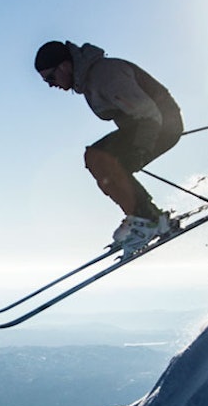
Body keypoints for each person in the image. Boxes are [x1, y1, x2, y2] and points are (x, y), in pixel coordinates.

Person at [34, 40, 184, 255]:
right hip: (149, 125)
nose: (51, 84)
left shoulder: (105, 74)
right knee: (98, 159)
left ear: (65, 66)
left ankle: (147, 220)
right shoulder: (89, 80)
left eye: (50, 77)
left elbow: (148, 113)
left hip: (156, 125)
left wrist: (140, 149)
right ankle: (145, 218)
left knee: (99, 158)